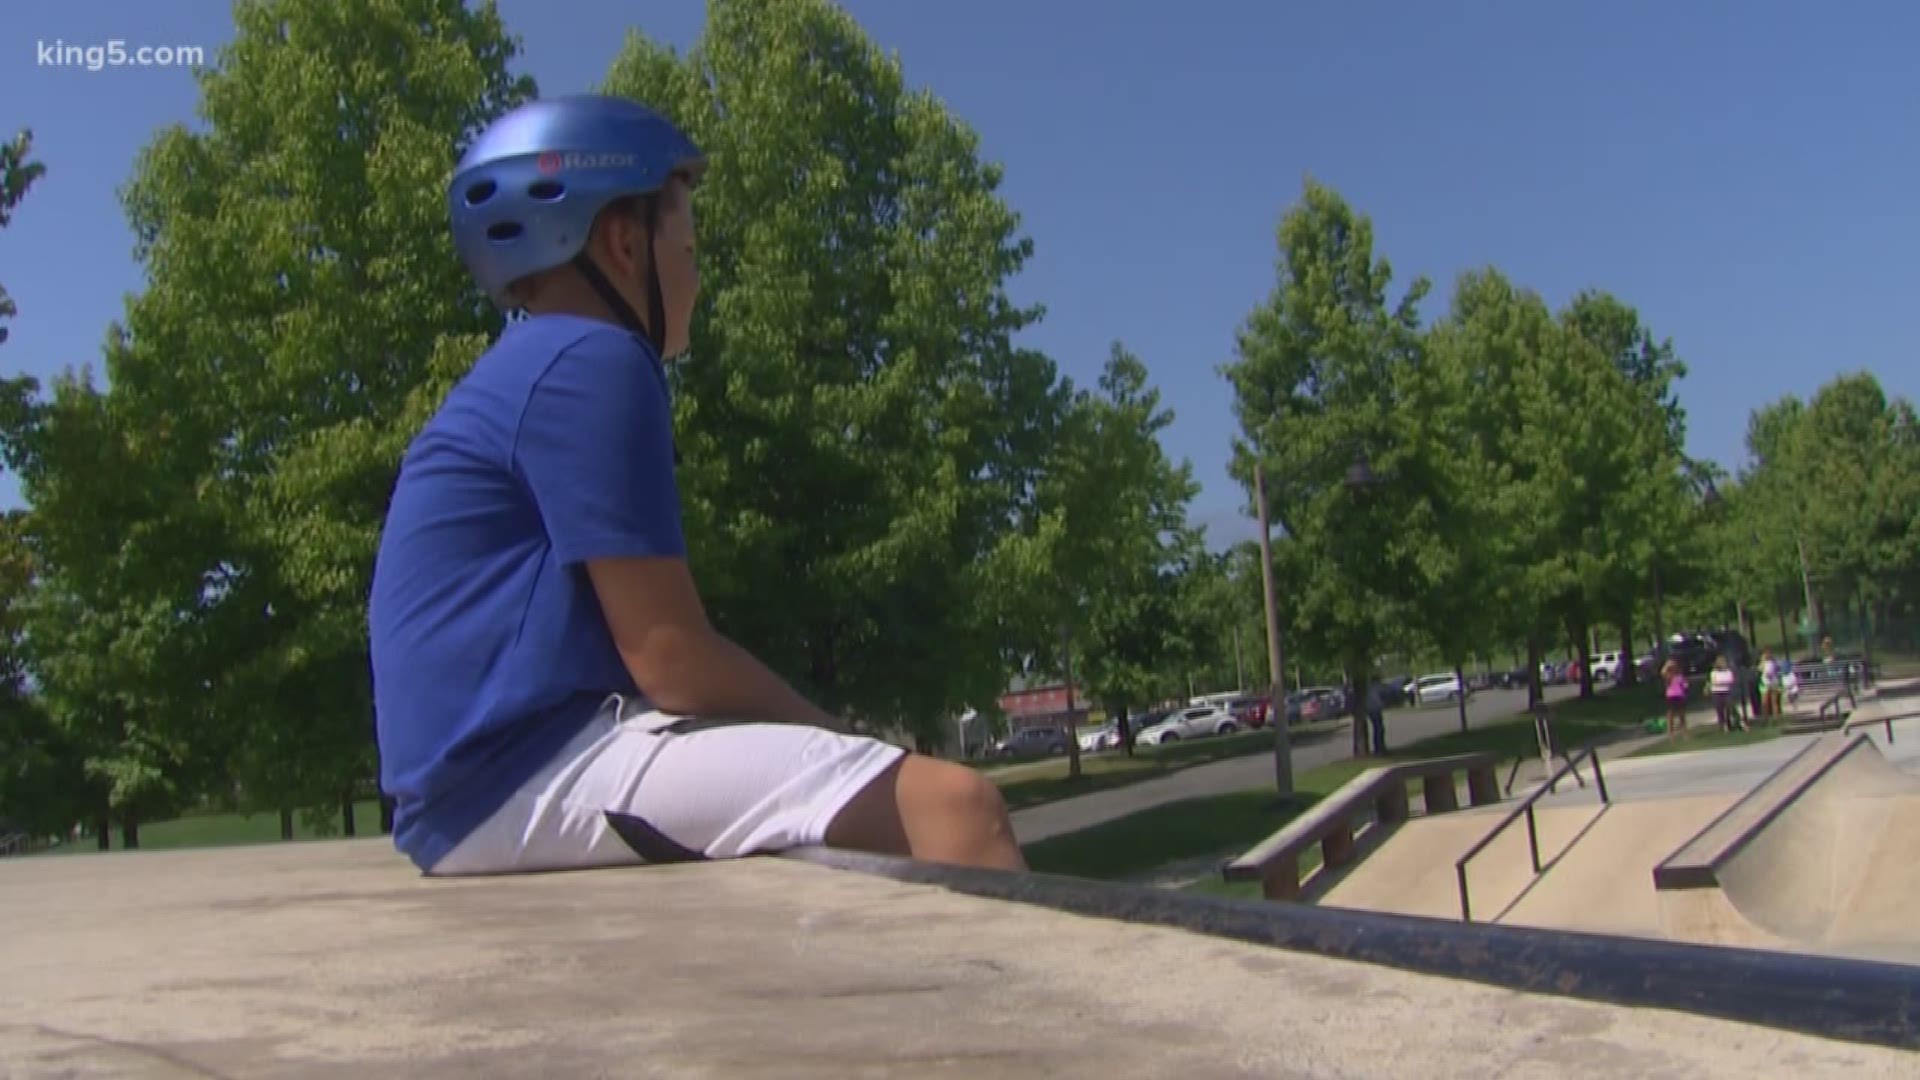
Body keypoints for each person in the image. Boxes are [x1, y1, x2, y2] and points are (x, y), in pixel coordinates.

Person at [368, 95, 1024, 877]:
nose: (699, 279)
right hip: (514, 779)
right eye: (689, 246)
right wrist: (843, 735)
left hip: (487, 780)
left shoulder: (529, 365)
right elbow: (670, 658)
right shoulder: (595, 360)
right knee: (956, 808)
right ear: (622, 242)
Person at [1709, 656, 1738, 732]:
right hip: (1717, 692)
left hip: (1727, 692)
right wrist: (1724, 682)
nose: (1724, 663)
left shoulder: (1728, 672)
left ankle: (1730, 724)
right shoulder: (1714, 672)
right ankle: (1722, 725)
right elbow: (1714, 682)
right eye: (1722, 662)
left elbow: (1731, 680)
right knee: (1720, 709)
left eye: (1724, 662)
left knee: (1729, 708)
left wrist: (1722, 682)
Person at [1661, 659, 1688, 736]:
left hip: (1680, 695)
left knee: (1681, 715)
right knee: (1671, 715)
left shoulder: (1679, 676)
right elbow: (1663, 672)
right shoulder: (1668, 676)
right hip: (1671, 696)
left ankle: (1684, 732)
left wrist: (1685, 687)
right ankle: (1671, 733)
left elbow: (1684, 684)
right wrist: (1667, 665)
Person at [1759, 649, 1783, 718]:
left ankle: (1776, 717)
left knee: (1774, 701)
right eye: (1766, 654)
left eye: (1769, 653)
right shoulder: (1763, 663)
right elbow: (1760, 669)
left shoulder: (1774, 662)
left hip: (1773, 682)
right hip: (1765, 683)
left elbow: (1777, 669)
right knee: (1765, 702)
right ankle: (1765, 717)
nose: (1768, 655)